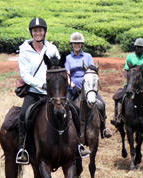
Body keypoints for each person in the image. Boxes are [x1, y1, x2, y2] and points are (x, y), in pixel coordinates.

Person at [16, 17, 90, 164]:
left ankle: (79, 144)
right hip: (34, 91)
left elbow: (59, 69)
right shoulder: (24, 50)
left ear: (44, 32)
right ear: (31, 32)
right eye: (35, 30)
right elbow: (25, 75)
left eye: (40, 30)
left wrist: (61, 85)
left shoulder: (52, 48)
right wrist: (42, 85)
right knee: (24, 115)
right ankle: (23, 148)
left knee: (75, 110)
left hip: (54, 93)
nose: (38, 33)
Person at [65, 32, 113, 139]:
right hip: (73, 89)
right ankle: (65, 130)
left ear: (82, 44)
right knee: (65, 107)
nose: (76, 45)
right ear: (72, 44)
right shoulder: (68, 58)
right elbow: (67, 74)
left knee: (102, 104)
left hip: (88, 88)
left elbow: (93, 70)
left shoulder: (88, 56)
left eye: (79, 43)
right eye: (74, 43)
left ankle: (104, 128)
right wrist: (73, 86)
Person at [111, 38, 143, 126]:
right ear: (135, 47)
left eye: (141, 47)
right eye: (137, 47)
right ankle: (118, 117)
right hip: (130, 83)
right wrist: (129, 78)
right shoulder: (130, 57)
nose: (139, 49)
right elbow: (126, 70)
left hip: (142, 84)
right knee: (121, 98)